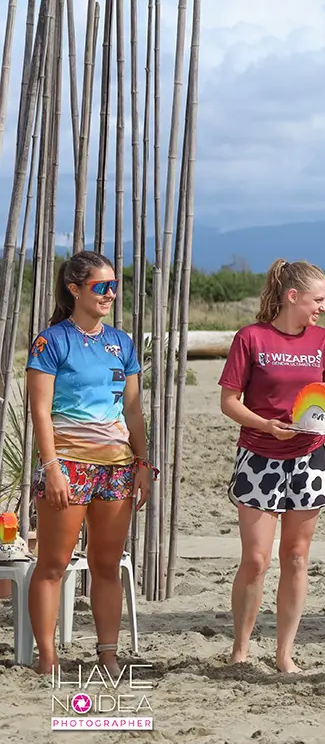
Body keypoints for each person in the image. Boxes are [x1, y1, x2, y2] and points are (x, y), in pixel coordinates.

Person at [25, 251, 153, 676]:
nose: (110, 293)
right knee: (53, 564)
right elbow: (40, 411)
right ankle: (47, 659)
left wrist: (143, 462)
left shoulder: (123, 343)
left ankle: (108, 656)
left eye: (114, 285)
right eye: (101, 286)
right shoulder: (51, 342)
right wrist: (52, 467)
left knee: (106, 565)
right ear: (75, 289)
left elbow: (132, 411)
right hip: (68, 465)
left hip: (116, 467)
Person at [218, 259, 325, 673]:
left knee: (295, 556)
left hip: (310, 458)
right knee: (256, 559)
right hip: (259, 456)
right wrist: (266, 426)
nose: (323, 307)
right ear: (293, 296)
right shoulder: (250, 338)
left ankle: (284, 654)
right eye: (317, 300)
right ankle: (240, 650)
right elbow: (229, 402)